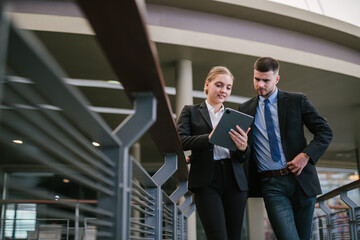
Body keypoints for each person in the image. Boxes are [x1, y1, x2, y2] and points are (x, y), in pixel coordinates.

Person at [239, 57, 333, 240]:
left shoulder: (297, 100)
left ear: (277, 79)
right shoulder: (245, 109)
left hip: (301, 180)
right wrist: (242, 149)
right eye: (257, 79)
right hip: (271, 185)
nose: (260, 85)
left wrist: (306, 155)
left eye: (266, 80)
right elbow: (243, 153)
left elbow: (325, 132)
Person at [177, 66, 250, 240]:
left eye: (228, 87)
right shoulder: (191, 112)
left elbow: (244, 158)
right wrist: (209, 137)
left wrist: (243, 148)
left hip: (234, 180)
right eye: (219, 85)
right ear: (207, 84)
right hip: (206, 180)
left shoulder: (235, 117)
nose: (223, 90)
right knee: (217, 236)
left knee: (234, 236)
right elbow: (180, 141)